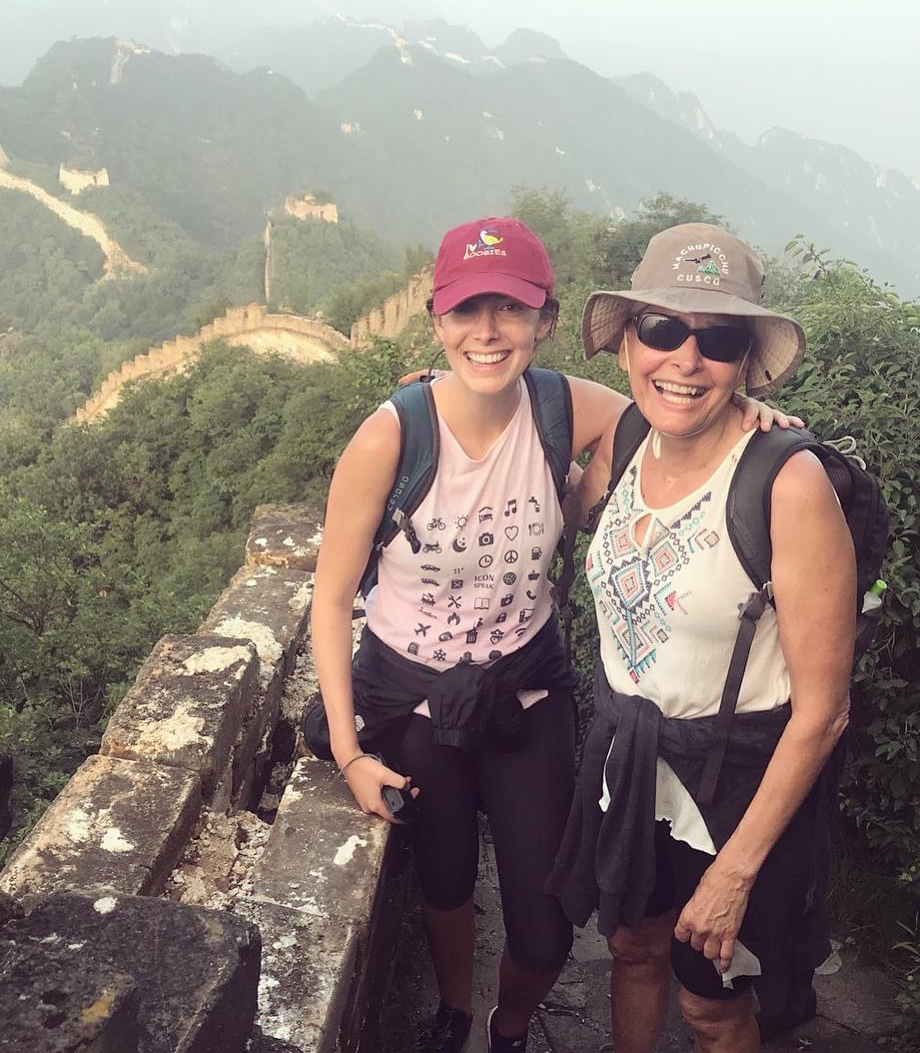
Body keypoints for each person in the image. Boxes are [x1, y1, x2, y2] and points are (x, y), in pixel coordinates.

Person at [310, 217, 795, 1053]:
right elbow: (328, 600)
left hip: (526, 689)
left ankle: (510, 1024)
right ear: (436, 320)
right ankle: (456, 1012)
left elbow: (660, 413)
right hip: (416, 691)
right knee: (445, 874)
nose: (488, 332)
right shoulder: (395, 433)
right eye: (467, 312)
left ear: (545, 318)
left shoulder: (562, 405)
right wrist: (351, 753)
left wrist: (742, 402)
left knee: (544, 928)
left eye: (510, 309)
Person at [546, 223, 854, 1053]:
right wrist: (443, 394)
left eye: (717, 340)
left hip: (736, 789)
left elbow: (823, 713)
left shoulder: (787, 485)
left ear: (746, 363)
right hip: (632, 764)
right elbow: (565, 497)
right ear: (626, 345)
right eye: (662, 329)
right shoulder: (626, 441)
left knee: (713, 1004)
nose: (685, 359)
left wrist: (734, 872)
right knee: (633, 948)